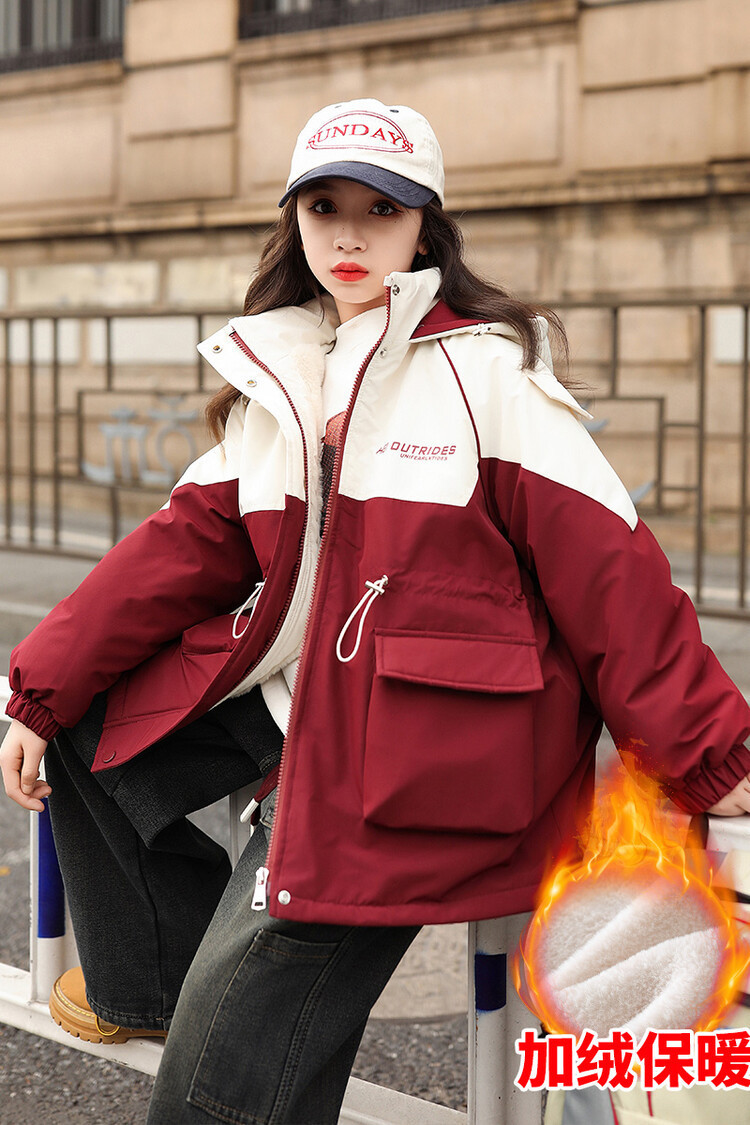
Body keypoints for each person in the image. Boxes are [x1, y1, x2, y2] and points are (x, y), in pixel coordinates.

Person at [2, 97, 750, 1124]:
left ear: (425, 228)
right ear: (295, 222)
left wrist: (709, 755)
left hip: (420, 752)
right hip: (304, 701)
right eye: (325, 208)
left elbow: (612, 574)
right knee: (88, 730)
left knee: (213, 1095)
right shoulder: (287, 371)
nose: (350, 236)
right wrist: (39, 689)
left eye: (381, 210)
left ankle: (216, 1016)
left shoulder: (488, 372)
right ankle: (161, 987)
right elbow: (174, 549)